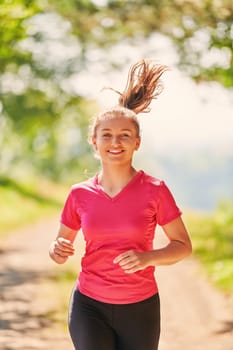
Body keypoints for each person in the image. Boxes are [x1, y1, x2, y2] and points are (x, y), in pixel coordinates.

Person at [49, 59, 192, 350]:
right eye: (107, 135)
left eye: (125, 135)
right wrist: (56, 249)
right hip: (89, 305)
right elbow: (60, 250)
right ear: (94, 142)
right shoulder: (79, 194)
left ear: (137, 142)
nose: (116, 142)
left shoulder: (155, 190)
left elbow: (183, 246)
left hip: (140, 307)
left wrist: (147, 258)